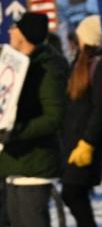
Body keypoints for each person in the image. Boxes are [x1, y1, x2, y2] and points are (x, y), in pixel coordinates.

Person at [0, 13, 69, 227]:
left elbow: (54, 117)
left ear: (24, 34)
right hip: (13, 162)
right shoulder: (16, 64)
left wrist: (15, 131)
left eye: (15, 28)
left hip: (34, 164)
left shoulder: (47, 68)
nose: (10, 31)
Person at [61, 15, 102, 227]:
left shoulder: (100, 66)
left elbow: (100, 108)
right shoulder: (80, 63)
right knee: (74, 194)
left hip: (85, 142)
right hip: (72, 140)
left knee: (72, 193)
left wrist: (88, 143)